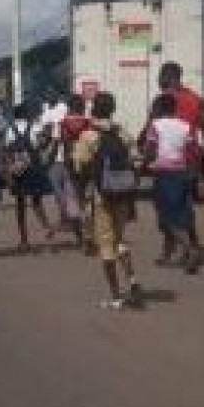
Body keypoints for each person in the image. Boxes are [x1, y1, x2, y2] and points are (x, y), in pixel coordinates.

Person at [73, 92, 141, 309]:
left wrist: (82, 195)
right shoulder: (122, 132)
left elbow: (80, 166)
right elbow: (136, 160)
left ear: (94, 109)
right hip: (123, 194)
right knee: (120, 238)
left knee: (106, 246)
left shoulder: (88, 136)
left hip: (102, 196)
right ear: (112, 109)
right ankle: (132, 280)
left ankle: (115, 296)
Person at [157, 61, 204, 252]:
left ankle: (173, 248)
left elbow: (152, 128)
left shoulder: (162, 101)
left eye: (162, 75)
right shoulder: (196, 99)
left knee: (164, 206)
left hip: (169, 161)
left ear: (172, 77)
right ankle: (192, 243)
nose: (160, 79)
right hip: (192, 160)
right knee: (185, 205)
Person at [142, 93, 203, 274]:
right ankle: (166, 254)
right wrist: (198, 176)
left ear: (159, 109)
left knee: (166, 218)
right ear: (174, 108)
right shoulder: (186, 126)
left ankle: (189, 248)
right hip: (183, 173)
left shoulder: (156, 126)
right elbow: (193, 152)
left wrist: (143, 165)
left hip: (164, 174)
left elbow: (151, 150)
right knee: (180, 214)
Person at [4, 103, 54, 252]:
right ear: (26, 114)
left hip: (18, 170)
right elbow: (42, 144)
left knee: (20, 205)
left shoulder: (10, 130)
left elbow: (7, 149)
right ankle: (46, 225)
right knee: (36, 200)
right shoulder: (34, 127)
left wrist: (10, 167)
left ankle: (24, 239)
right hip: (33, 167)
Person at [47, 94, 91, 248]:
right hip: (86, 165)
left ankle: (82, 236)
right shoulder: (88, 123)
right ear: (82, 107)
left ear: (69, 107)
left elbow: (60, 144)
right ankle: (85, 231)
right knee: (83, 199)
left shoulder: (63, 123)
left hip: (69, 165)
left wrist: (50, 161)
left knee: (73, 201)